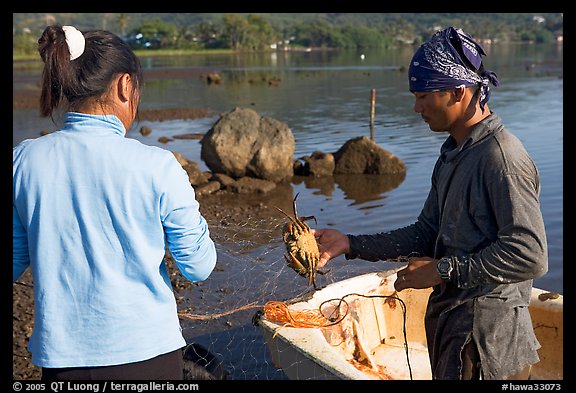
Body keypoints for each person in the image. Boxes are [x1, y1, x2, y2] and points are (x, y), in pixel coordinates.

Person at [313, 26, 548, 380]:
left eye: (424, 96)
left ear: (458, 91)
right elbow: (427, 233)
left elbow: (529, 254)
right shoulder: (454, 153)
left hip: (486, 343)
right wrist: (350, 243)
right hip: (454, 329)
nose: (416, 107)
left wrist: (441, 270)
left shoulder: (501, 158)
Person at [13, 25, 217, 380]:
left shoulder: (23, 161)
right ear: (125, 86)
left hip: (62, 363)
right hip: (150, 355)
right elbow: (198, 267)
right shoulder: (158, 166)